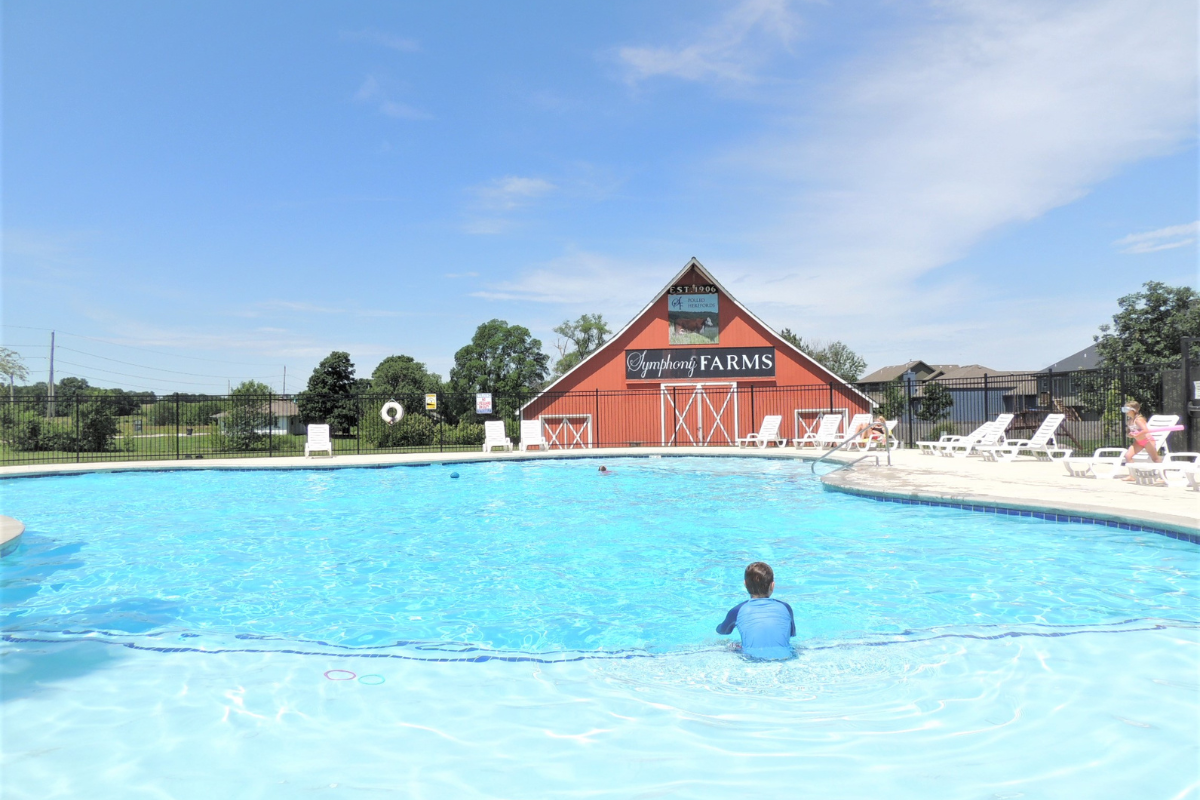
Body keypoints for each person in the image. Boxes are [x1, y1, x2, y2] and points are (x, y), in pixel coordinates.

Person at [716, 562, 795, 660]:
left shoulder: (737, 611)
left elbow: (723, 631)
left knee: (731, 645)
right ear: (772, 586)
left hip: (751, 659)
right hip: (785, 657)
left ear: (745, 584)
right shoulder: (786, 608)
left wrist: (719, 627)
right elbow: (791, 634)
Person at [1121, 401, 1161, 479]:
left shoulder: (1139, 420)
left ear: (1133, 410)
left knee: (1155, 458)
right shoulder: (1130, 421)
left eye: (1127, 409)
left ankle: (1162, 477)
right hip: (1139, 442)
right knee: (1128, 456)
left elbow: (1146, 430)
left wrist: (1137, 434)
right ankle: (1132, 476)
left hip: (1147, 440)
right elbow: (1130, 432)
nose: (1125, 412)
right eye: (1124, 409)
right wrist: (1130, 435)